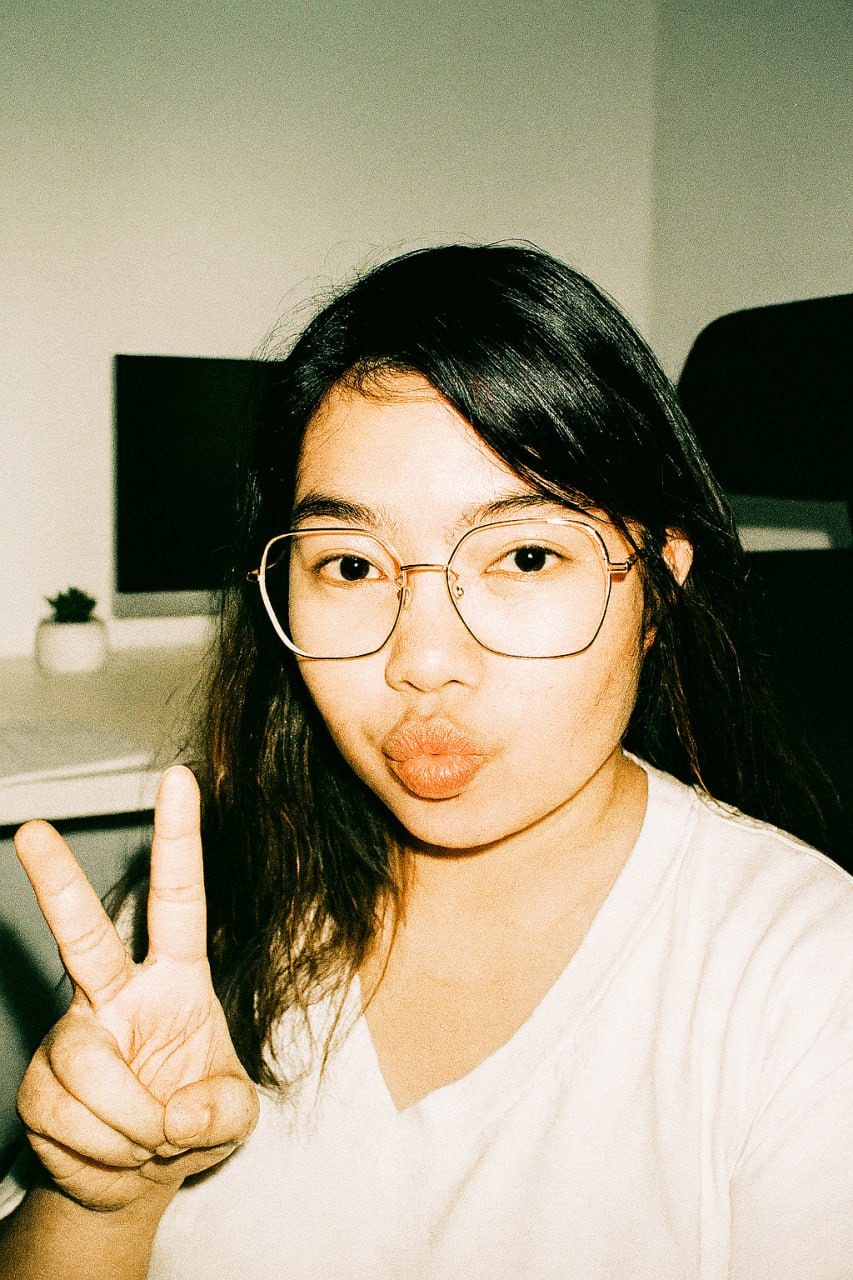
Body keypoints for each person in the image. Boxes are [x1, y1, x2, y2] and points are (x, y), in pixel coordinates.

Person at [1, 243, 851, 1278]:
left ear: (658, 585)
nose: (422, 661)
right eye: (350, 564)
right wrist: (101, 1196)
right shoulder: (201, 914)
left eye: (525, 556)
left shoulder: (806, 981)